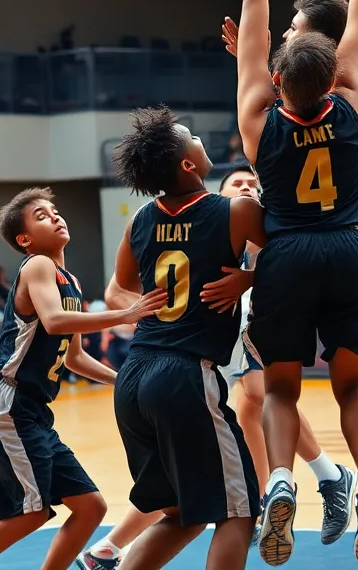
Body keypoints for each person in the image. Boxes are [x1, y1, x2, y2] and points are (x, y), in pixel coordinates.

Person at [235, 0, 358, 566]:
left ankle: (278, 484)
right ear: (334, 72)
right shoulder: (354, 93)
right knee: (353, 383)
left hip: (289, 255)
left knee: (280, 390)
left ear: (276, 76)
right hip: (354, 248)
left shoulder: (257, 114)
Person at [0, 188, 165, 570]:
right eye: (42, 215)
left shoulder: (71, 282)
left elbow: (75, 357)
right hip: (6, 400)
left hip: (31, 409)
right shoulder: (37, 265)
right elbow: (55, 321)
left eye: (55, 211)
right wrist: (125, 314)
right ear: (24, 239)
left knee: (90, 507)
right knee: (30, 512)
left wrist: (122, 381)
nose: (55, 216)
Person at [100, 107, 264, 570]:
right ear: (188, 164)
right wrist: (248, 279)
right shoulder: (236, 210)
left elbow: (118, 288)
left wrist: (154, 304)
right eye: (191, 136)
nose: (199, 139)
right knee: (239, 510)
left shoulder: (140, 220)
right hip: (185, 375)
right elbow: (291, 257)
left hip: (133, 377)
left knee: (179, 513)